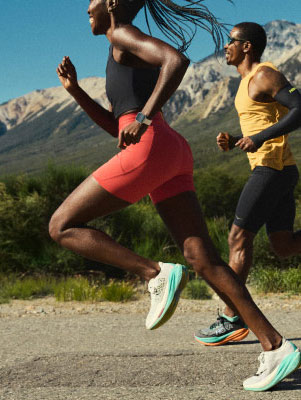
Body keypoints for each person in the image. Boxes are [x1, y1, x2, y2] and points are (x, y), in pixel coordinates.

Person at [49, 2, 300, 391]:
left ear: (113, 3)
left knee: (61, 225)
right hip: (168, 150)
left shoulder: (121, 33)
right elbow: (118, 127)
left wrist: (146, 119)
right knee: (204, 259)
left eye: (94, 0)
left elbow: (176, 61)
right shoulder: (119, 49)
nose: (87, 7)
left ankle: (154, 273)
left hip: (151, 145)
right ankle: (276, 347)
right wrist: (78, 92)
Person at [195, 20, 301, 385]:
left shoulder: (264, 75)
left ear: (247, 47)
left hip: (271, 170)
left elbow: (299, 109)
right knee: (285, 246)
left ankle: (230, 317)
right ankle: (233, 316)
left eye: (230, 41)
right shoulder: (245, 83)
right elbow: (266, 121)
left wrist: (258, 138)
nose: (225, 46)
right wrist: (240, 139)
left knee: (238, 240)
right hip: (279, 170)